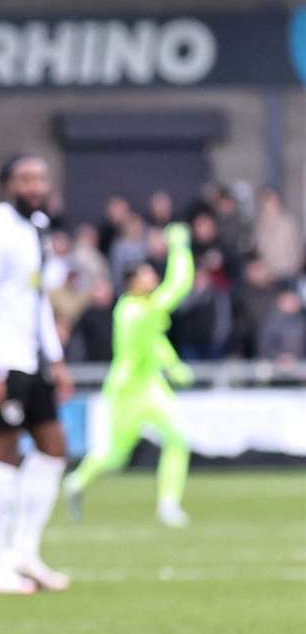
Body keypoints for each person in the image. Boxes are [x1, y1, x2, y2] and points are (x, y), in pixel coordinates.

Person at [0, 155, 74, 595]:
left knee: (53, 445)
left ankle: (24, 553)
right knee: (3, 451)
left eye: (41, 178)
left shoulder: (37, 226)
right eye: (26, 179)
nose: (35, 186)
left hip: (31, 356)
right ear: (8, 184)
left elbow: (36, 296)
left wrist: (56, 358)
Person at [65, 224, 195, 528]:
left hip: (151, 385)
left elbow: (154, 343)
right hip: (126, 390)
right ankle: (76, 482)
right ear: (132, 282)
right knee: (115, 456)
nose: (152, 278)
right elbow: (179, 285)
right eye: (146, 274)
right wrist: (180, 248)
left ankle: (168, 504)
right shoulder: (132, 312)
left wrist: (172, 365)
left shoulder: (144, 310)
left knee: (178, 438)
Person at [255, 187, 303, 285]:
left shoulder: (288, 222)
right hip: (268, 275)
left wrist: (295, 267)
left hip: (288, 273)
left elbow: (298, 246)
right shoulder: (259, 224)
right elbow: (258, 249)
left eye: (272, 199)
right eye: (266, 200)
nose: (270, 203)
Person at [257, 287, 304, 365]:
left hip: (299, 364)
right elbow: (264, 346)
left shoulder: (302, 322)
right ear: (280, 303)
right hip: (274, 364)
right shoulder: (270, 322)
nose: (293, 304)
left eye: (295, 301)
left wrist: (296, 358)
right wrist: (279, 357)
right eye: (289, 301)